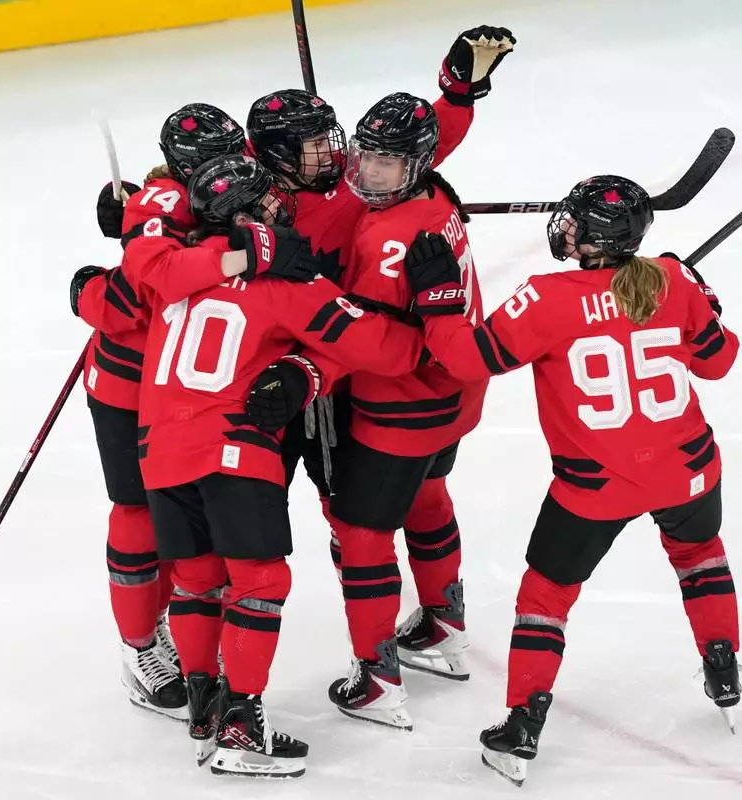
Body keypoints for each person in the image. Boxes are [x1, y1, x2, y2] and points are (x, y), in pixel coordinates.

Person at [400, 175, 742, 786]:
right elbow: (719, 361)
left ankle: (523, 723)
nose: (566, 229)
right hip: (688, 469)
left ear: (591, 238)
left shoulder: (550, 298)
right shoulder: (671, 280)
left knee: (545, 596)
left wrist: (438, 299)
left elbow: (463, 357)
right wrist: (705, 302)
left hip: (596, 487)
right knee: (699, 554)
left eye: (576, 223)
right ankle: (723, 662)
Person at [132, 154, 429, 777]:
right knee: (260, 585)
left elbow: (141, 268)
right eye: (266, 201)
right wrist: (425, 310)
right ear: (244, 215)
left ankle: (206, 713)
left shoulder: (171, 273)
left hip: (159, 452)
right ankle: (243, 729)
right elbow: (386, 350)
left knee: (194, 581)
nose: (279, 206)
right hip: (233, 448)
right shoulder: (289, 286)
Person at [245, 92, 489, 732]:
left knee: (360, 536)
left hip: (401, 408)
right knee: (428, 497)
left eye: (386, 162)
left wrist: (307, 369)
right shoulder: (436, 196)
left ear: (415, 163)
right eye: (366, 155)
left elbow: (371, 342)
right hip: (454, 400)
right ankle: (444, 625)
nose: (367, 172)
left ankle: (378, 680)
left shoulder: (386, 237)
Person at [242, 23, 516, 561]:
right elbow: (193, 205)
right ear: (277, 157)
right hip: (269, 371)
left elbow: (423, 139)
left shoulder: (354, 178)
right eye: (316, 146)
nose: (337, 155)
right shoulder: (251, 199)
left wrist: (457, 90)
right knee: (245, 517)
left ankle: (376, 591)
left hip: (336, 371)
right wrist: (138, 214)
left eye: (331, 140)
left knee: (347, 505)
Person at [70, 103, 247, 720]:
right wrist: (95, 288)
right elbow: (131, 302)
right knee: (140, 516)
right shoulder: (160, 207)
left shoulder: (238, 192)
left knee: (200, 520)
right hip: (127, 386)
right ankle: (141, 647)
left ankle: (195, 635)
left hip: (195, 391)